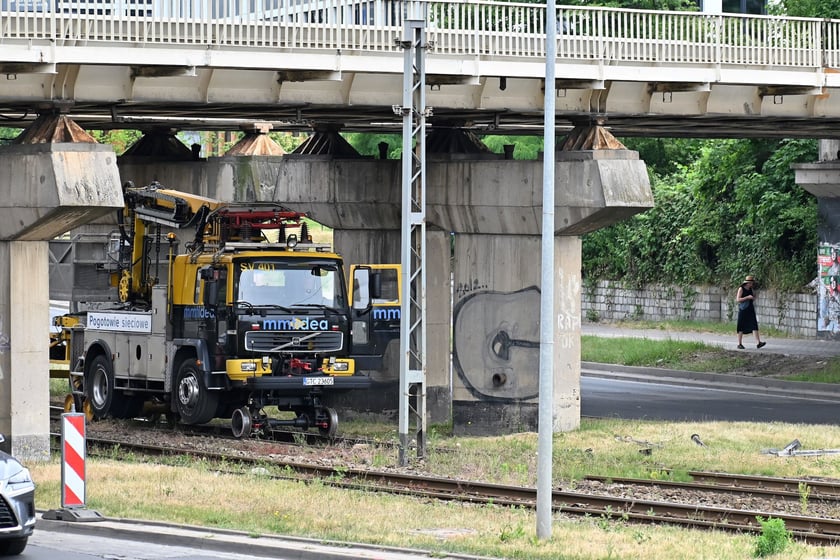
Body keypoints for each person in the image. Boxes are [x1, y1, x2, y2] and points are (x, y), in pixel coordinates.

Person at [736, 275, 766, 349]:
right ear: (747, 283)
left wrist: (753, 298)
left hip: (750, 308)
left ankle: (758, 342)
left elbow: (753, 297)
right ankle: (739, 343)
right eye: (751, 283)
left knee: (754, 324)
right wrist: (747, 297)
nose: (752, 284)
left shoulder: (751, 289)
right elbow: (738, 299)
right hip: (743, 309)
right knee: (741, 326)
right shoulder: (741, 289)